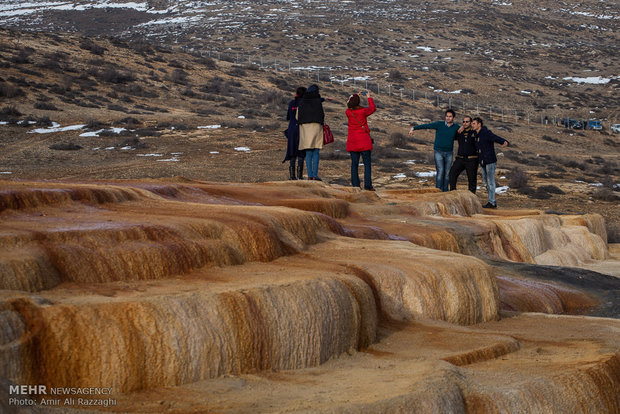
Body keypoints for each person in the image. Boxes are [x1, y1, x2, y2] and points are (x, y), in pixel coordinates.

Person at [408, 109, 460, 192]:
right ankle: (438, 191)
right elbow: (427, 125)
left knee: (447, 174)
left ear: (453, 117)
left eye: (450, 116)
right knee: (440, 172)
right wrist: (414, 128)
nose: (448, 118)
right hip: (438, 152)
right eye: (447, 116)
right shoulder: (439, 124)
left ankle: (445, 191)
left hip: (449, 153)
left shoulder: (456, 127)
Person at [471, 117, 509, 209]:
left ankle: (492, 202)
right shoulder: (476, 134)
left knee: (490, 182)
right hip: (483, 161)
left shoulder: (486, 133)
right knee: (485, 182)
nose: (472, 125)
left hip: (490, 161)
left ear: (479, 124)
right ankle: (491, 201)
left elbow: (495, 137)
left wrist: (504, 141)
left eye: (474, 124)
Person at [346, 91, 376, 191]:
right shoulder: (363, 111)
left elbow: (349, 105)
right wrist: (369, 98)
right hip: (364, 141)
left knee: (354, 164)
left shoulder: (348, 112)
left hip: (353, 142)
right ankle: (368, 185)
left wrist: (355, 97)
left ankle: (355, 185)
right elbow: (372, 109)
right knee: (367, 164)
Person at [297, 84, 325, 181]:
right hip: (316, 127)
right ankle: (315, 175)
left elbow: (297, 117)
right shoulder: (317, 102)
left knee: (308, 152)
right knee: (316, 152)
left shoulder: (302, 102)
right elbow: (322, 115)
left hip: (305, 129)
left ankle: (309, 175)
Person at [449, 115, 478, 193]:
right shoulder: (459, 132)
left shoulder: (474, 132)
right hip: (460, 159)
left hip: (472, 159)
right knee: (452, 174)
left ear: (471, 123)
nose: (465, 123)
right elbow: (450, 134)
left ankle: (472, 197)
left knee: (472, 179)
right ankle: (453, 193)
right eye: (464, 122)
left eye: (467, 122)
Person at [282, 87, 306, 180]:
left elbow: (288, 116)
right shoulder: (305, 103)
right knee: (301, 151)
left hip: (292, 128)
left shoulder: (292, 102)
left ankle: (292, 176)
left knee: (292, 151)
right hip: (301, 128)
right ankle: (300, 175)